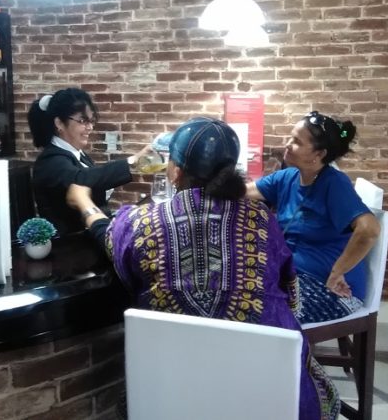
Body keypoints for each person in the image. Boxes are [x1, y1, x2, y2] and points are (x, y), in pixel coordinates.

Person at [66, 117, 340, 420]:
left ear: (176, 171)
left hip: (173, 393)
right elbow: (288, 285)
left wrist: (83, 202)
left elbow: (109, 237)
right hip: (266, 389)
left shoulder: (141, 222)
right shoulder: (261, 219)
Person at [246, 111, 380, 324]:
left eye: (297, 142)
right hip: (291, 277)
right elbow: (243, 192)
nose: (288, 144)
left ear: (319, 154)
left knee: (256, 313)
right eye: (291, 138)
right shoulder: (288, 177)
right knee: (232, 295)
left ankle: (286, 347)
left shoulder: (334, 184)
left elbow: (369, 229)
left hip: (330, 288)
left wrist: (337, 272)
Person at [28, 87, 151, 236]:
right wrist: (133, 161)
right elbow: (81, 180)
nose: (90, 127)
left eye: (91, 121)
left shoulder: (78, 154)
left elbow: (95, 181)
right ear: (59, 123)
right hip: (70, 245)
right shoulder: (50, 162)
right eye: (82, 121)